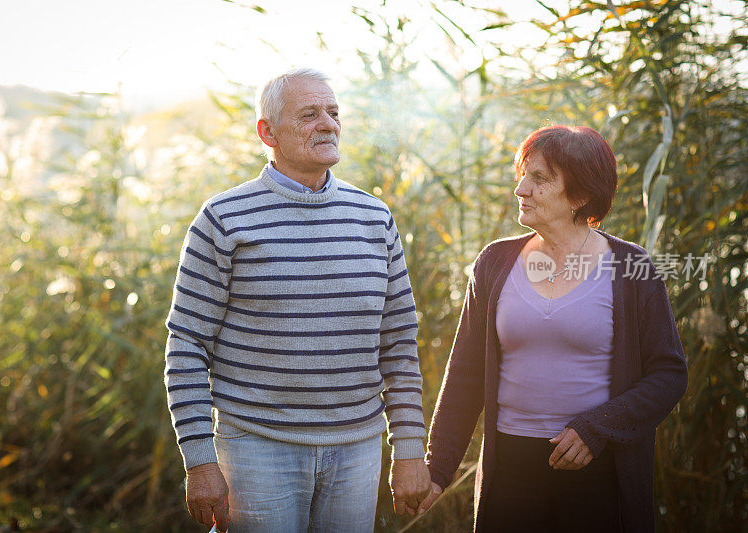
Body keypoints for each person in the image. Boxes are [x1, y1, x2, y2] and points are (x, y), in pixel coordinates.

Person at [163, 68, 431, 533]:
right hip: (255, 448)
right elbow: (186, 343)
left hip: (359, 447)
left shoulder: (374, 217)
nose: (327, 124)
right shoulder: (224, 218)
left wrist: (408, 448)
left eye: (333, 112)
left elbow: (399, 344)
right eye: (309, 114)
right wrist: (200, 461)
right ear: (268, 132)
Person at [421, 125, 688, 532]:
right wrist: (437, 470)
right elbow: (465, 376)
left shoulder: (632, 268)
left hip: (599, 470)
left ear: (580, 195)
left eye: (539, 179)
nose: (521, 189)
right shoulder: (494, 262)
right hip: (509, 471)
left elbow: (669, 375)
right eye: (522, 176)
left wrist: (597, 428)